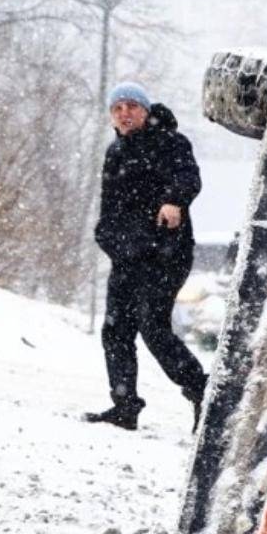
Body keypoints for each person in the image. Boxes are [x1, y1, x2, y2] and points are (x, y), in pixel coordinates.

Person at [86, 82, 209, 431]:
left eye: (131, 107)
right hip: (127, 255)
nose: (124, 113)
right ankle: (125, 406)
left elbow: (189, 178)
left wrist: (173, 201)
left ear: (145, 110)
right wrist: (106, 236)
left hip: (166, 253)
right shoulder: (116, 152)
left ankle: (202, 389)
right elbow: (109, 207)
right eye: (117, 108)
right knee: (115, 330)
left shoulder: (170, 142)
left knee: (153, 327)